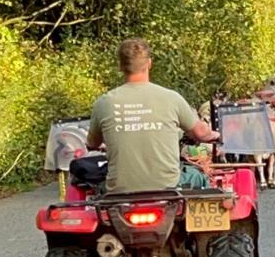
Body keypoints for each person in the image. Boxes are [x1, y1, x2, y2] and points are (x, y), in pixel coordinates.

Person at [86, 38, 220, 193]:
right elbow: (200, 133)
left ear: (120, 66)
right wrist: (215, 134)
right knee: (199, 177)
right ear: (149, 63)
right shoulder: (171, 98)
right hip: (169, 186)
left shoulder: (104, 103)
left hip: (119, 190)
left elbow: (92, 143)